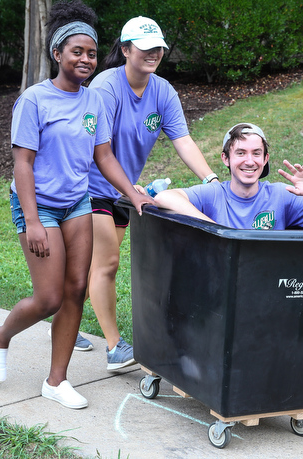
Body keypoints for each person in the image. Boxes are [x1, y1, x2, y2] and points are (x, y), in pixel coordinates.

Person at [0, 0, 153, 409]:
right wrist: (34, 220)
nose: (86, 59)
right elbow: (22, 164)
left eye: (92, 53)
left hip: (78, 202)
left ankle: (56, 381)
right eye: (77, 51)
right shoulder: (34, 100)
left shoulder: (95, 101)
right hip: (38, 204)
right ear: (57, 54)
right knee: (49, 298)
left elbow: (104, 156)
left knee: (76, 289)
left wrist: (132, 194)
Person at [79, 16, 219, 372]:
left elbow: (182, 141)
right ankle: (114, 346)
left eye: (158, 48)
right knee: (107, 263)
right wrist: (128, 186)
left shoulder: (162, 91)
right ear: (125, 50)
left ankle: (64, 315)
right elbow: (100, 149)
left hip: (126, 193)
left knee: (94, 266)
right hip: (90, 188)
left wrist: (211, 179)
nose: (153, 53)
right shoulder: (105, 87)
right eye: (145, 48)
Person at [153, 123, 303, 228]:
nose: (249, 161)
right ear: (226, 159)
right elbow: (164, 196)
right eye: (240, 153)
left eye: (256, 153)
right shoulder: (214, 194)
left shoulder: (280, 195)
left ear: (265, 159)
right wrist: (214, 228)